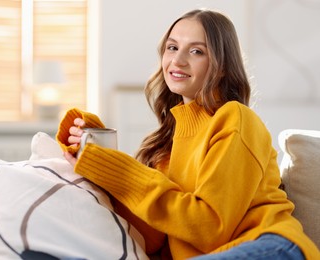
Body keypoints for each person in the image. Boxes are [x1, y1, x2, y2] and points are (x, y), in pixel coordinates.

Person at [56, 8, 320, 259]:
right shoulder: (163, 145)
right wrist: (101, 156)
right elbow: (152, 238)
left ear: (223, 65)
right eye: (172, 47)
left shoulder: (236, 119)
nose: (178, 60)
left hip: (269, 246)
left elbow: (209, 227)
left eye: (196, 51)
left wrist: (120, 171)